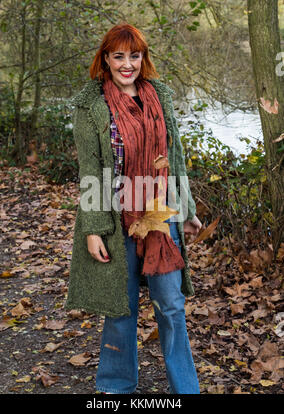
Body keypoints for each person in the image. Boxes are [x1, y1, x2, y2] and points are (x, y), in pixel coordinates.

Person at [65, 23, 202, 395]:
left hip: (161, 213)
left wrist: (186, 209)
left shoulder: (160, 95)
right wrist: (93, 229)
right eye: (120, 56)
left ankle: (186, 389)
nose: (128, 64)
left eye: (135, 56)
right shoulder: (91, 105)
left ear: (144, 58)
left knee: (171, 305)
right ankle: (116, 387)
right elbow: (91, 170)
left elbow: (175, 157)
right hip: (115, 215)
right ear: (106, 59)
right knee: (120, 307)